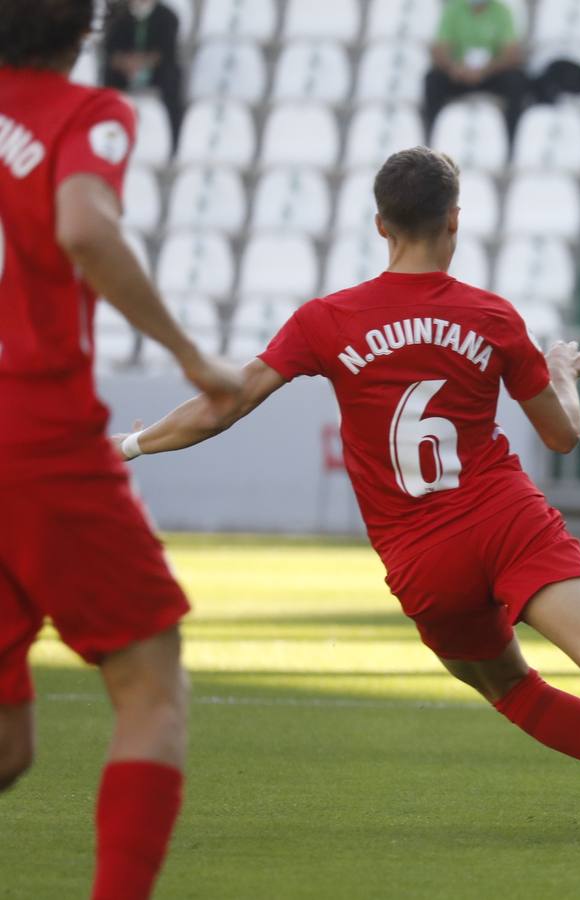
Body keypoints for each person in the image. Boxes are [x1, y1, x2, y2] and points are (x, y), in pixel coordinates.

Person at [111, 147, 580, 842]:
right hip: (503, 518)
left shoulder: (327, 320)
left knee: (515, 690)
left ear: (381, 225)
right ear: (455, 221)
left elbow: (226, 403)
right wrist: (561, 376)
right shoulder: (491, 317)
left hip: (420, 557)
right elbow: (560, 437)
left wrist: (132, 445)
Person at [0, 1, 244, 896]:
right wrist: (191, 355)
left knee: (8, 744)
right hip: (31, 433)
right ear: (86, 30)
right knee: (149, 688)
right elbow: (84, 228)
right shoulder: (84, 114)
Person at [423, 0, 530, 140]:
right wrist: (453, 68)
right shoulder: (453, 9)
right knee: (433, 79)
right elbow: (439, 49)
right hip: (459, 73)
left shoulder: (502, 11)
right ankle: (431, 136)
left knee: (516, 80)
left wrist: (486, 70)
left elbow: (511, 53)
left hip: (490, 73)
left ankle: (512, 138)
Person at [101, 0, 184, 156]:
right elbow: (109, 50)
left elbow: (167, 52)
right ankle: (108, 135)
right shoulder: (116, 14)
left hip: (156, 71)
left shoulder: (168, 16)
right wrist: (126, 63)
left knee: (172, 78)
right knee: (108, 80)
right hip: (123, 70)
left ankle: (175, 143)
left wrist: (143, 63)